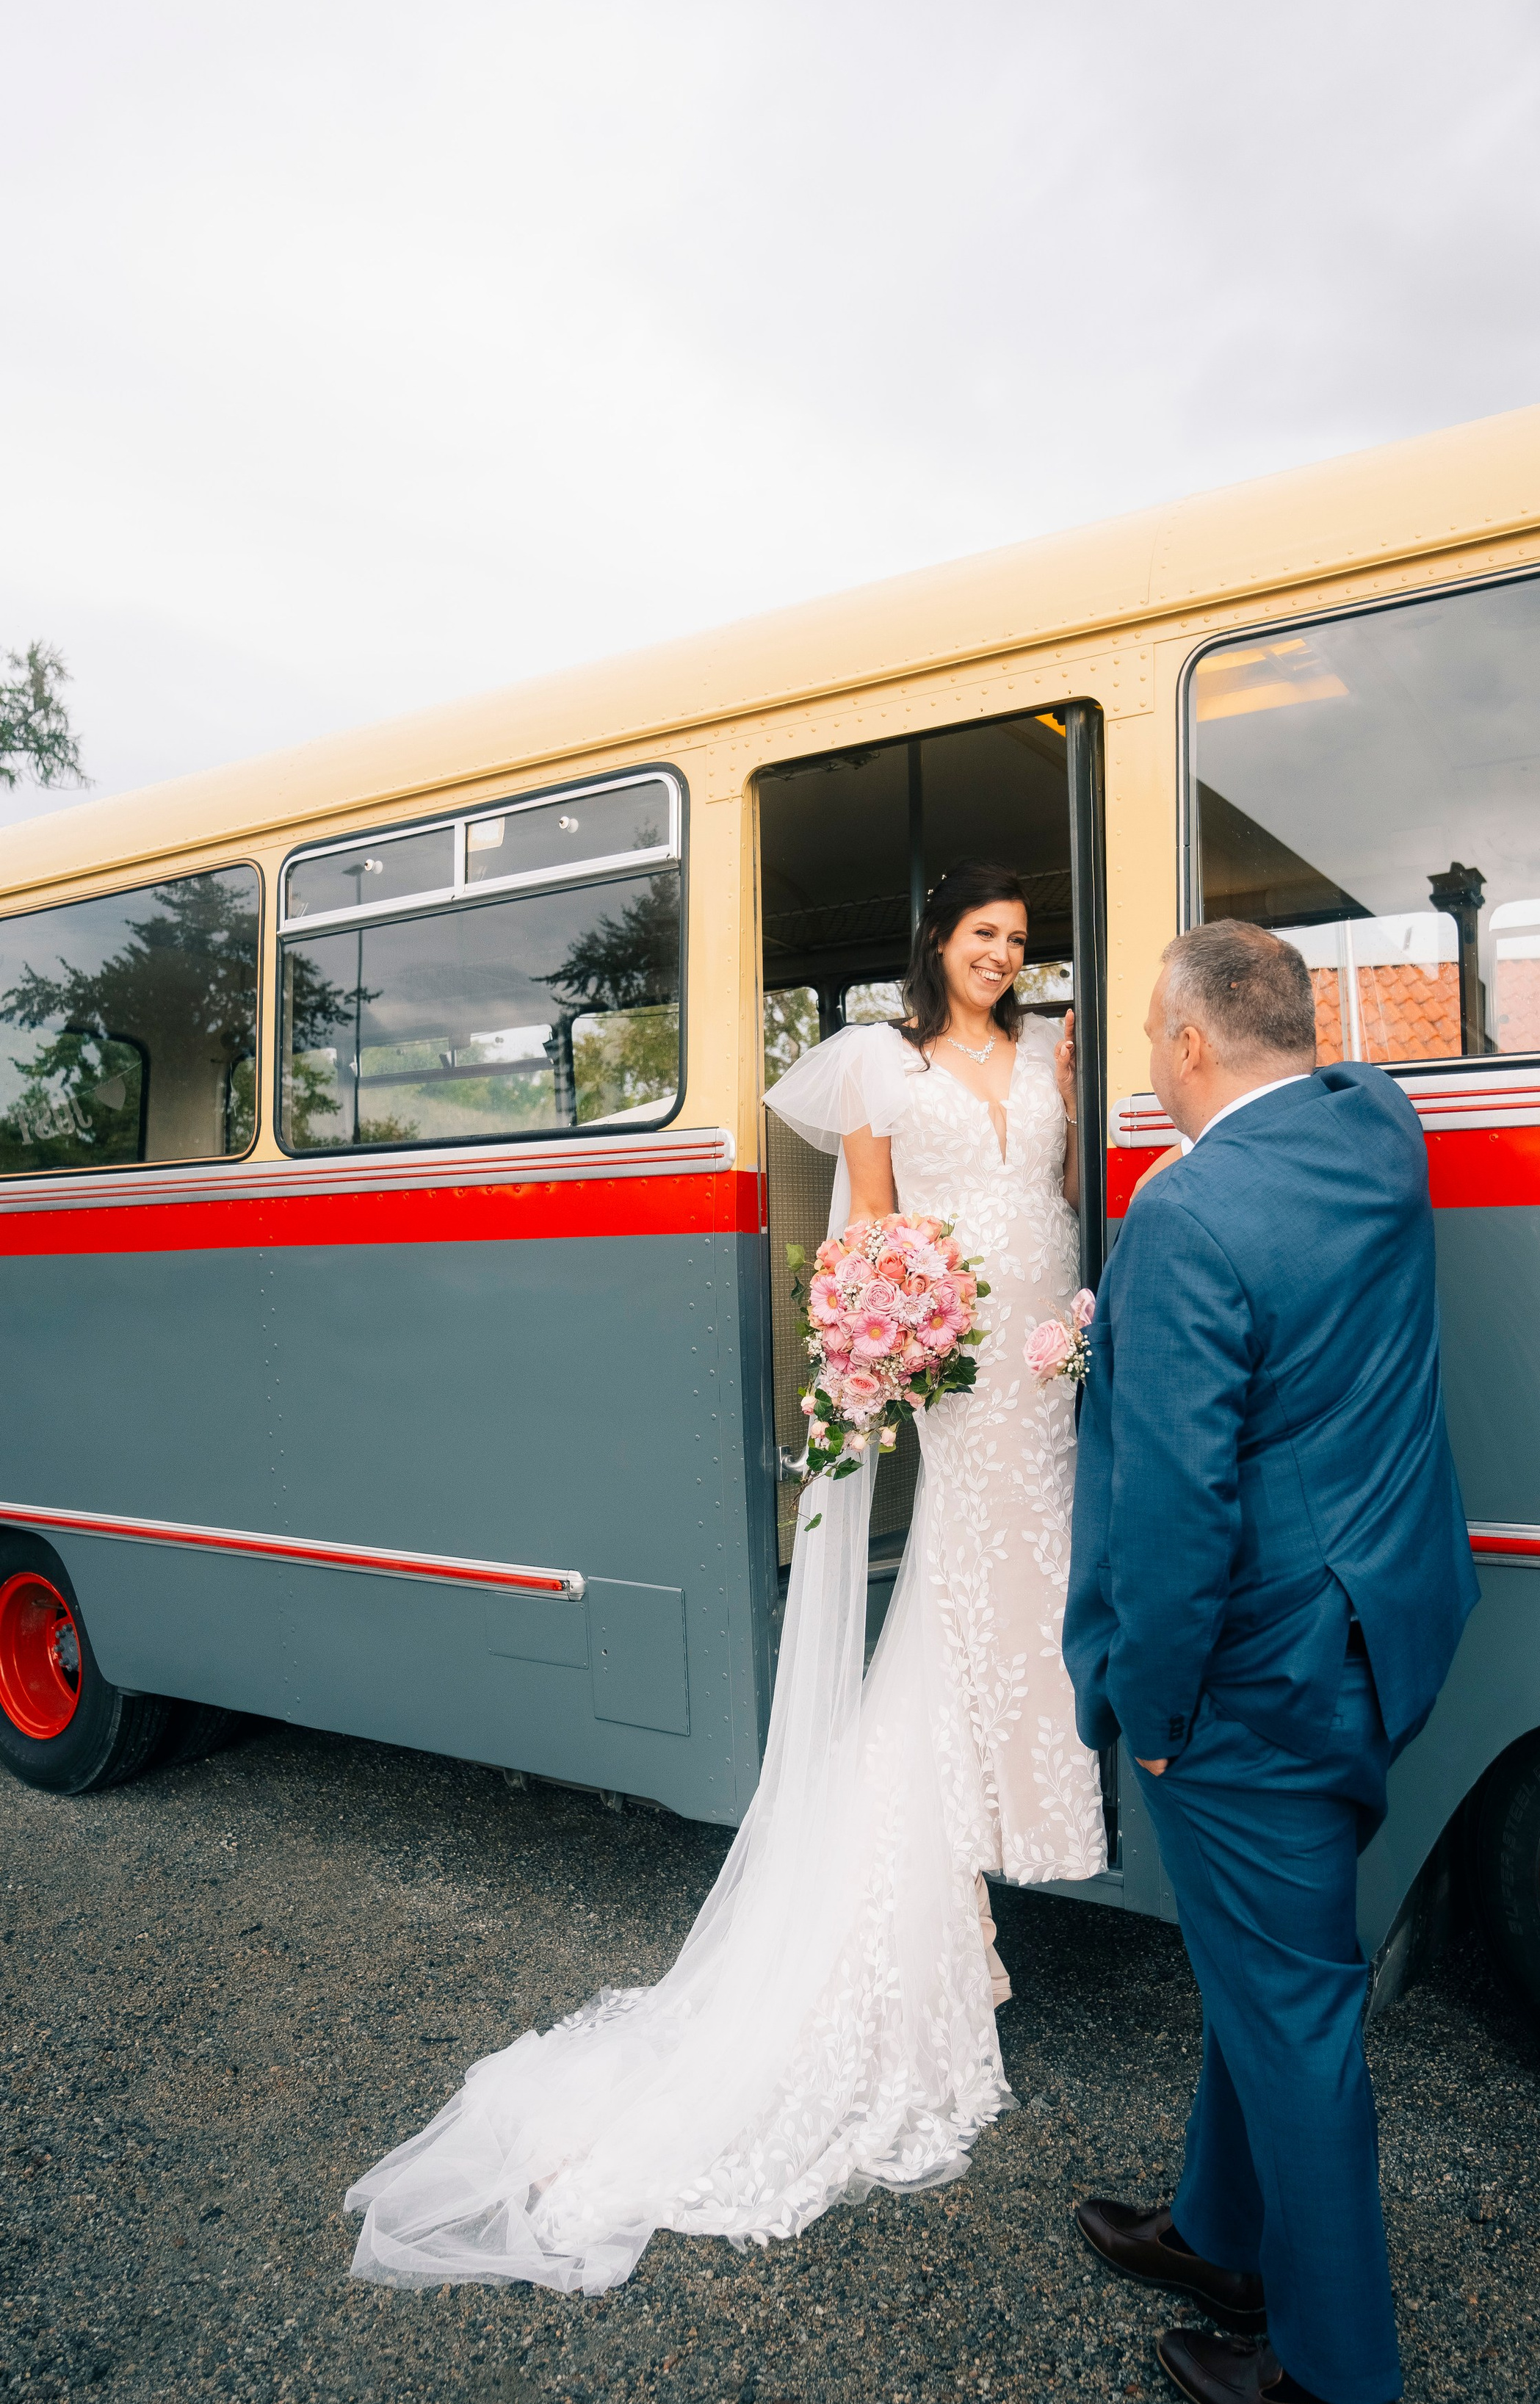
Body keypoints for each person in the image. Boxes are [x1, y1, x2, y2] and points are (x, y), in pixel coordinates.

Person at [344, 862, 1107, 2291]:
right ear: (933, 943)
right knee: (956, 1618)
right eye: (980, 936)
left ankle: (1020, 1844)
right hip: (962, 1383)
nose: (1000, 956)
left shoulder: (1055, 1051)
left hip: (1049, 1366)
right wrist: (899, 1345)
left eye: (1015, 939)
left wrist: (1065, 1318)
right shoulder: (884, 1068)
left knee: (1041, 1599)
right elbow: (872, 1232)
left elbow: (1056, 1191)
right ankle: (934, 1922)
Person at [1063, 919, 1477, 2404]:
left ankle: (1331, 2375)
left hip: (1253, 1677)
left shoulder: (1182, 1215)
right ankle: (1217, 2233)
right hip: (1377, 1632)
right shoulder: (1374, 1128)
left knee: (1294, 2006)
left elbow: (1174, 1507)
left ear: (1180, 1045)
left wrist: (1147, 1701)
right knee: (1269, 1965)